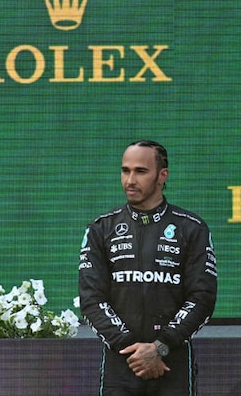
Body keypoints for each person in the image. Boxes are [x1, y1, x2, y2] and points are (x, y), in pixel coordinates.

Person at [78, 140, 217, 395]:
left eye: (141, 171)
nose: (130, 180)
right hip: (121, 362)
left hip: (171, 362)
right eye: (125, 170)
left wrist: (160, 347)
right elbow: (91, 299)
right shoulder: (101, 229)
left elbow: (202, 298)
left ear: (162, 175)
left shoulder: (192, 228)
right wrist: (134, 349)